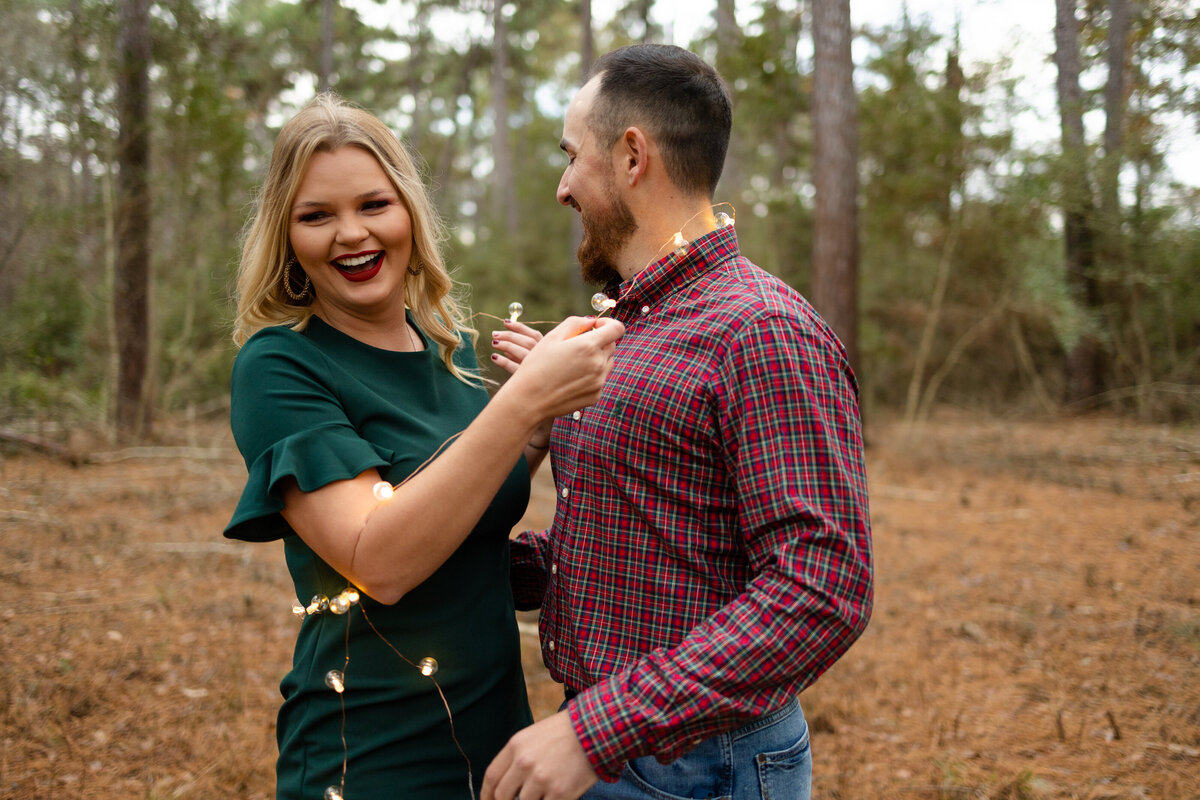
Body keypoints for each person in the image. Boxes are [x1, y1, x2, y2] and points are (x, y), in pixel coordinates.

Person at [484, 44, 873, 800]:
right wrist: (465, 567)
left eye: (571, 156)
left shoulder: (759, 330)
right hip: (615, 739)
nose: (563, 188)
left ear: (632, 156)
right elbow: (644, 538)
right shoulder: (632, 331)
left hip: (703, 764)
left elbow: (821, 586)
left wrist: (597, 730)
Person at [223, 93, 624, 800]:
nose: (351, 234)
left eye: (373, 205)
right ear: (287, 237)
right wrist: (523, 402)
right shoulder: (281, 367)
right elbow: (380, 558)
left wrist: (535, 428)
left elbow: (461, 503)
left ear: (408, 212)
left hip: (500, 747)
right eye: (317, 216)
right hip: (370, 755)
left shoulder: (455, 355)